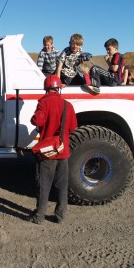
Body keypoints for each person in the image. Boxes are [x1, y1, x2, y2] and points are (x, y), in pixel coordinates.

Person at [28, 75, 78, 224]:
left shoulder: (43, 103)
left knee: (44, 183)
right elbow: (73, 127)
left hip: (47, 152)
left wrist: (33, 117)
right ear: (58, 88)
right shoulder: (67, 105)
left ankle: (39, 216)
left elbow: (38, 121)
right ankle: (60, 216)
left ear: (46, 88)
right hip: (62, 151)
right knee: (62, 184)